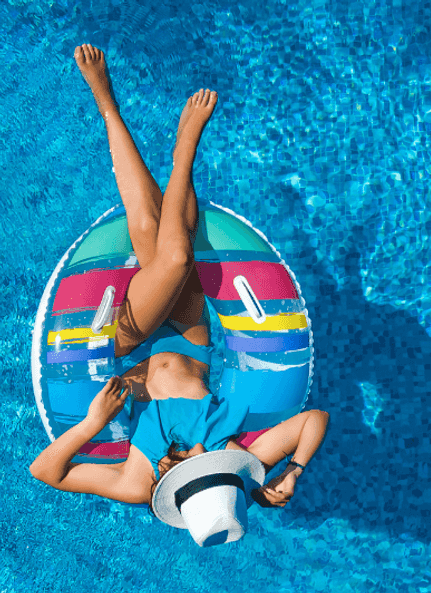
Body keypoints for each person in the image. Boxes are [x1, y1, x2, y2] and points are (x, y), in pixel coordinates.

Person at [29, 45, 330, 508]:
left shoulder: (136, 484)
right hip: (192, 339)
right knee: (159, 237)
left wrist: (92, 423)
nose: (173, 464)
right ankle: (169, 146)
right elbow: (314, 419)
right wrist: (294, 471)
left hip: (124, 346)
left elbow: (44, 472)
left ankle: (153, 132)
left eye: (173, 475)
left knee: (167, 254)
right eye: (193, 465)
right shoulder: (240, 458)